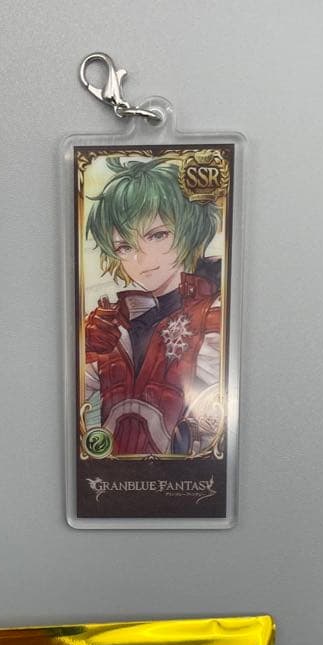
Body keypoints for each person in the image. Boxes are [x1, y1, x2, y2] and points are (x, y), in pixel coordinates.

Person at [83, 156, 224, 457]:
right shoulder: (112, 322)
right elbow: (71, 395)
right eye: (125, 247)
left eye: (158, 235)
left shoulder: (213, 316)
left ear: (190, 230)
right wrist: (82, 347)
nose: (142, 259)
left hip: (187, 473)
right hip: (109, 473)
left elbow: (219, 420)